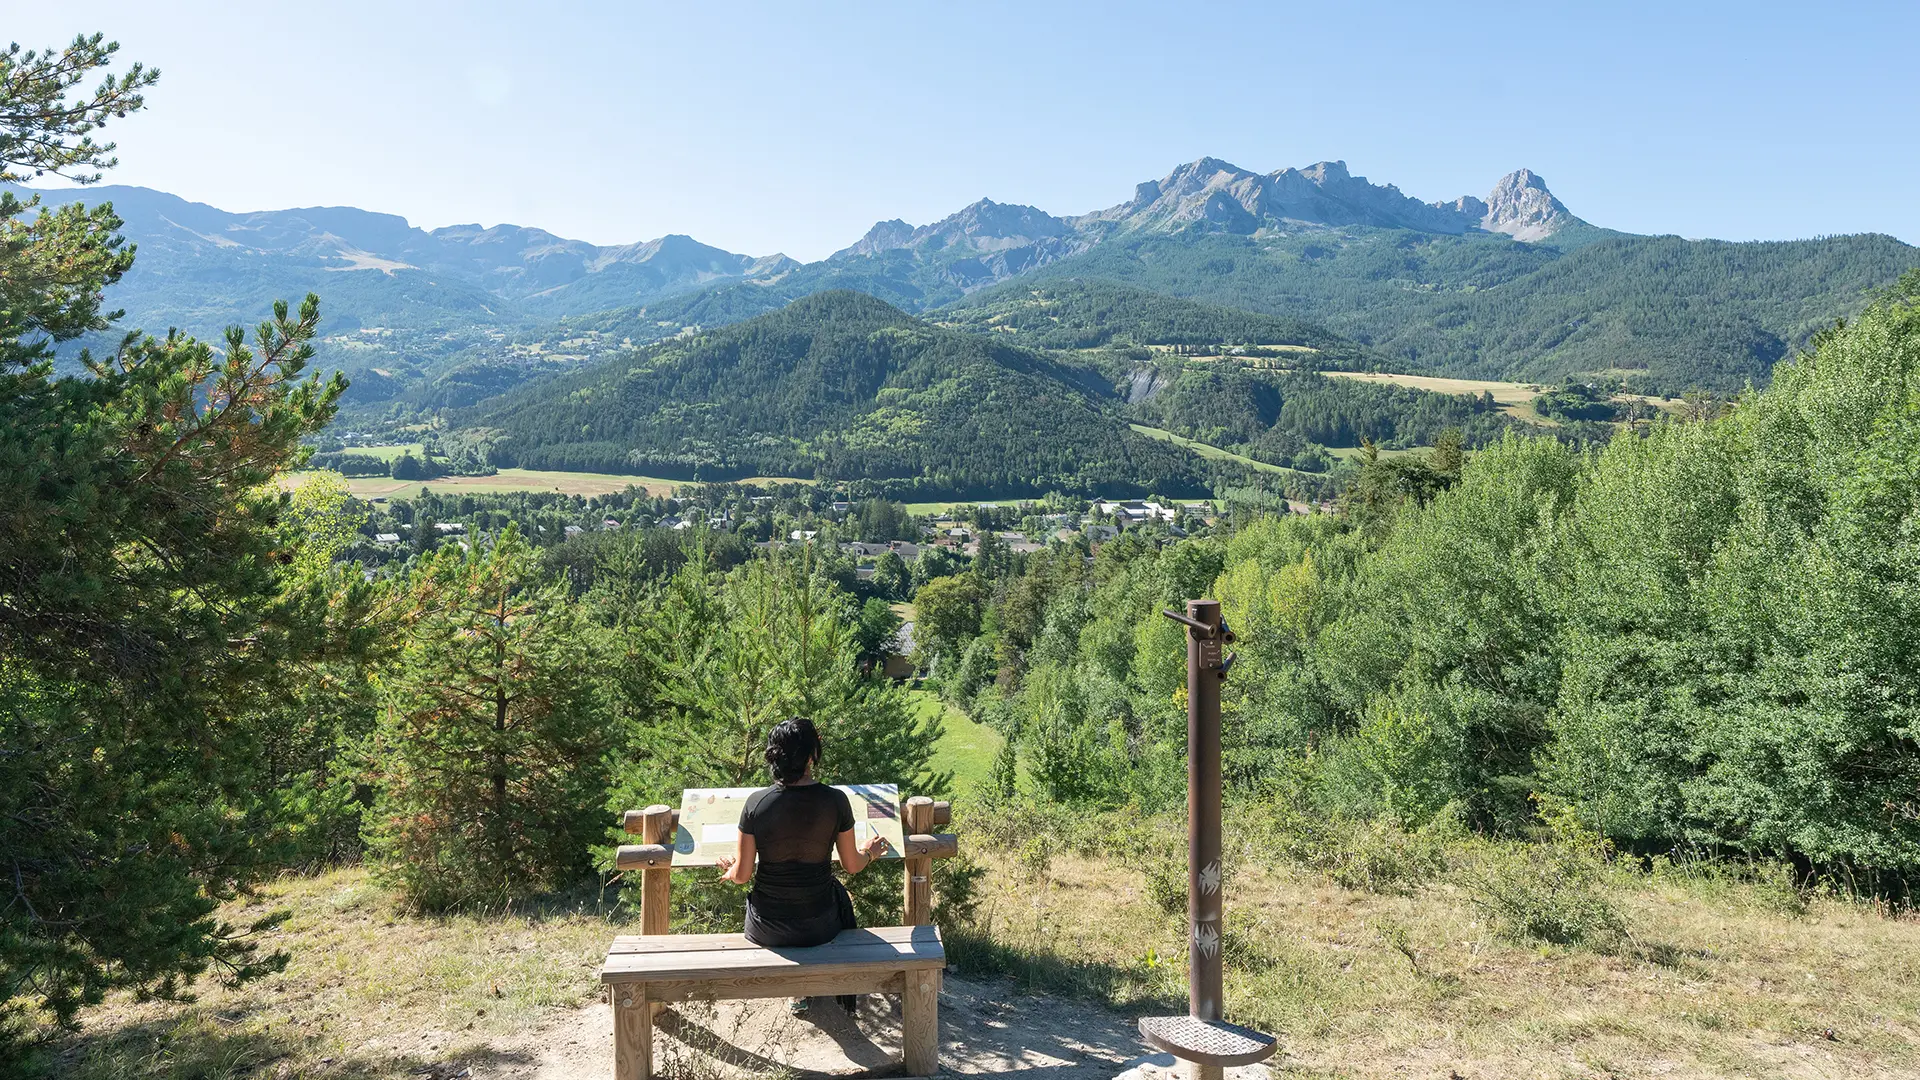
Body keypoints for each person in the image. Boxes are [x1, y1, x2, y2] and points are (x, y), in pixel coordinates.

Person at [716, 716, 889, 1017]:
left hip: (766, 927)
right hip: (819, 925)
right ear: (811, 756)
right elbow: (852, 865)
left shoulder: (757, 804)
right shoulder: (835, 801)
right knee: (835, 895)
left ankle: (800, 993)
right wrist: (870, 852)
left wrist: (731, 869)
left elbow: (743, 876)